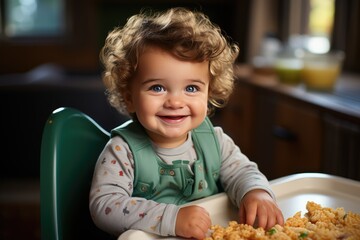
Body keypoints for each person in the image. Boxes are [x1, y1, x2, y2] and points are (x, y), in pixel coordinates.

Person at [89, 7, 284, 240]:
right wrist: (172, 218)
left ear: (209, 92)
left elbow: (242, 172)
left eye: (191, 88)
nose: (175, 101)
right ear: (129, 97)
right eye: (157, 87)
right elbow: (105, 206)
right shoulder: (122, 150)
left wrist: (256, 192)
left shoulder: (214, 141)